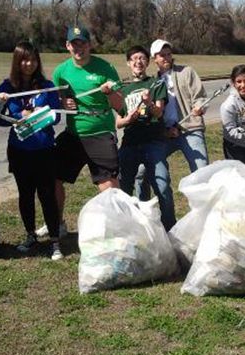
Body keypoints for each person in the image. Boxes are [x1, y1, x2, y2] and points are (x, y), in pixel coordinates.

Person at [51, 25, 124, 227]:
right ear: (67, 46)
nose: (78, 48)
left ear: (89, 45)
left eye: (82, 43)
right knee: (52, 176)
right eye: (74, 44)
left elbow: (121, 106)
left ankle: (118, 228)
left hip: (100, 132)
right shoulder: (60, 72)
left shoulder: (105, 68)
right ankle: (57, 223)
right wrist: (62, 103)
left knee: (108, 184)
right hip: (73, 133)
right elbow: (56, 102)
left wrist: (110, 93)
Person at [0, 41, 62, 260]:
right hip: (19, 150)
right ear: (17, 61)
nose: (29, 64)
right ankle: (30, 235)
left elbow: (57, 116)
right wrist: (12, 113)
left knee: (47, 195)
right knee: (25, 194)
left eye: (33, 59)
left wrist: (39, 114)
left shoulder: (47, 85)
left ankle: (54, 241)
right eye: (24, 59)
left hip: (44, 149)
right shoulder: (7, 87)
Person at [116, 45, 176, 230]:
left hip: (153, 141)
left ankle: (170, 228)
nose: (138, 62)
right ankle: (127, 227)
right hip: (130, 143)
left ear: (147, 62)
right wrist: (129, 118)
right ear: (128, 63)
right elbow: (118, 122)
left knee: (162, 185)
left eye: (141, 58)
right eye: (134, 59)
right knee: (124, 187)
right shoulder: (124, 90)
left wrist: (149, 102)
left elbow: (158, 113)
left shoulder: (156, 84)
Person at [150, 39, 208, 171]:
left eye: (168, 54)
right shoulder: (153, 82)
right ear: (155, 59)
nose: (166, 58)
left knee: (202, 172)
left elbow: (200, 97)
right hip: (166, 134)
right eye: (162, 55)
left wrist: (200, 107)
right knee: (143, 169)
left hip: (190, 129)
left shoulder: (187, 72)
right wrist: (165, 131)